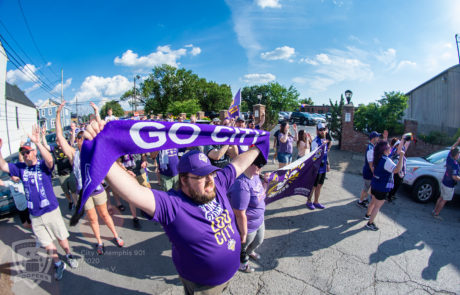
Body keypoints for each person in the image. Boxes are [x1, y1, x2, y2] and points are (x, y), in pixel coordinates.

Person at [82, 119, 263, 294]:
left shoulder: (218, 183)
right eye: (200, 177)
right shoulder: (173, 205)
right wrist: (100, 149)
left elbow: (239, 163)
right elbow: (132, 192)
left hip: (230, 272)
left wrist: (260, 144)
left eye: (211, 174)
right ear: (183, 180)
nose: (209, 181)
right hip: (204, 286)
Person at [0, 127, 79, 280]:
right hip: (35, 215)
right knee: (47, 243)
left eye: (27, 152)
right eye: (23, 153)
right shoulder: (21, 168)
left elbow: (50, 160)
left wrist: (37, 142)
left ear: (34, 152)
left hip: (50, 210)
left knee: (62, 238)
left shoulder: (42, 165)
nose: (24, 155)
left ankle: (69, 255)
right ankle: (58, 264)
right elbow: (3, 166)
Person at [57, 102, 124, 254]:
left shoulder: (92, 150)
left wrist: (96, 111)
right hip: (84, 193)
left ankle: (116, 236)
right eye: (79, 137)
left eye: (83, 136)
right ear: (77, 141)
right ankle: (99, 243)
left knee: (105, 215)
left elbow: (101, 133)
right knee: (93, 219)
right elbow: (60, 137)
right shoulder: (73, 154)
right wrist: (58, 114)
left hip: (98, 189)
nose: (82, 139)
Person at [228, 154, 266, 273]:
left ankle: (249, 253)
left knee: (258, 241)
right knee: (241, 248)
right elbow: (240, 213)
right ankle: (242, 263)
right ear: (249, 163)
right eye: (259, 166)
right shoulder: (241, 185)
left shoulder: (255, 175)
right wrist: (243, 233)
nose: (261, 169)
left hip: (259, 221)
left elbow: (261, 194)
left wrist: (266, 182)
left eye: (262, 166)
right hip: (248, 227)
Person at [364, 140, 405, 231]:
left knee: (373, 202)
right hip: (382, 187)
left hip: (375, 184)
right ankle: (370, 223)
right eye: (389, 147)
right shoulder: (387, 161)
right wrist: (401, 156)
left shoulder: (378, 158)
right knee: (377, 206)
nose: (391, 148)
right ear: (384, 150)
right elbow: (397, 170)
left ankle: (367, 215)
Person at [432, 137, 460, 219]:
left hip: (444, 182)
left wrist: (457, 141)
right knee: (444, 200)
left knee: (440, 197)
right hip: (449, 185)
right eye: (459, 154)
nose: (459, 155)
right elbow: (454, 177)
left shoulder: (449, 158)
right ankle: (436, 214)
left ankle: (434, 211)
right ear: (456, 155)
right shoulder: (455, 164)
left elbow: (452, 148)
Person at [306, 123, 329, 210]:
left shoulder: (324, 140)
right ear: (317, 131)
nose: (322, 131)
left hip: (323, 167)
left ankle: (316, 201)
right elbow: (314, 156)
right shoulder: (315, 142)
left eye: (323, 129)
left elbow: (326, 153)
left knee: (320, 185)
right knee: (313, 186)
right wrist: (322, 146)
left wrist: (327, 163)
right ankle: (309, 201)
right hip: (316, 167)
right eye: (320, 130)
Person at [357, 131, 381, 208]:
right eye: (377, 137)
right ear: (373, 138)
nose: (378, 138)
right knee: (366, 188)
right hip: (368, 172)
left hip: (368, 171)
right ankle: (360, 201)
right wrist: (374, 173)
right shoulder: (370, 149)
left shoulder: (372, 147)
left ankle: (364, 199)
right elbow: (371, 164)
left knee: (367, 187)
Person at [387, 136, 411, 202]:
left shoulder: (401, 152)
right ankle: (389, 197)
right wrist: (403, 139)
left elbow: (405, 147)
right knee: (394, 185)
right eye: (399, 145)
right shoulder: (396, 152)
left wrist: (409, 140)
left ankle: (391, 195)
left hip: (401, 172)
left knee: (397, 185)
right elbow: (401, 147)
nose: (401, 146)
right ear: (396, 146)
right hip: (396, 172)